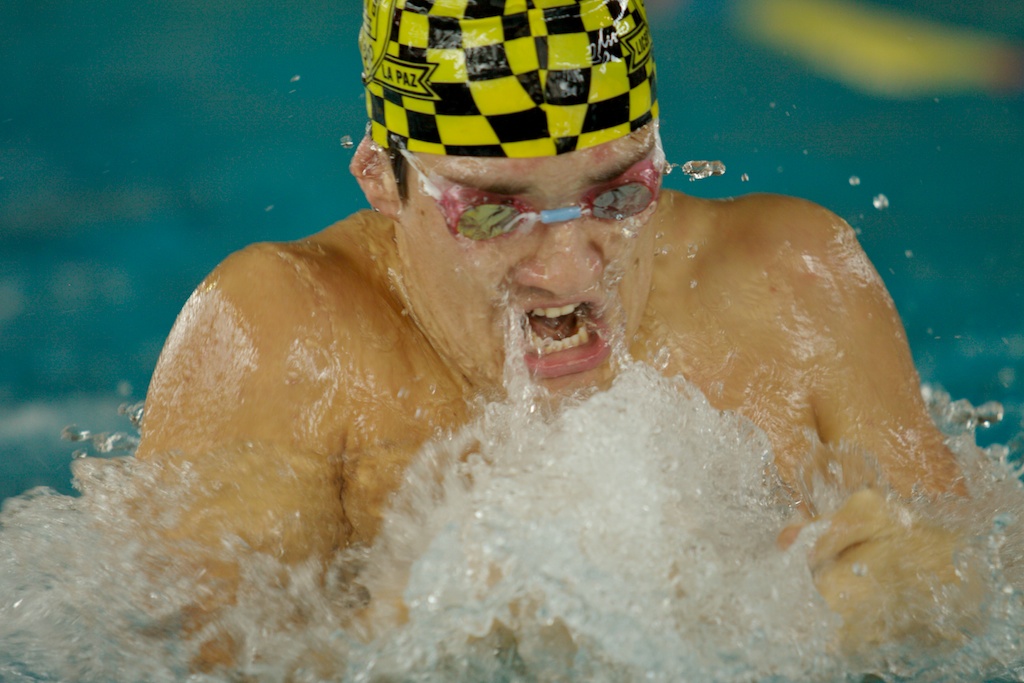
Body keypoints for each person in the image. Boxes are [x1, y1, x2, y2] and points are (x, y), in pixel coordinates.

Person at [134, 0, 976, 668]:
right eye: (494, 212)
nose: (572, 271)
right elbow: (174, 661)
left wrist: (911, 600)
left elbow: (979, 577)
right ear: (381, 178)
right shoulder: (275, 339)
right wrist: (413, 638)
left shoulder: (796, 285)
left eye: (619, 192)